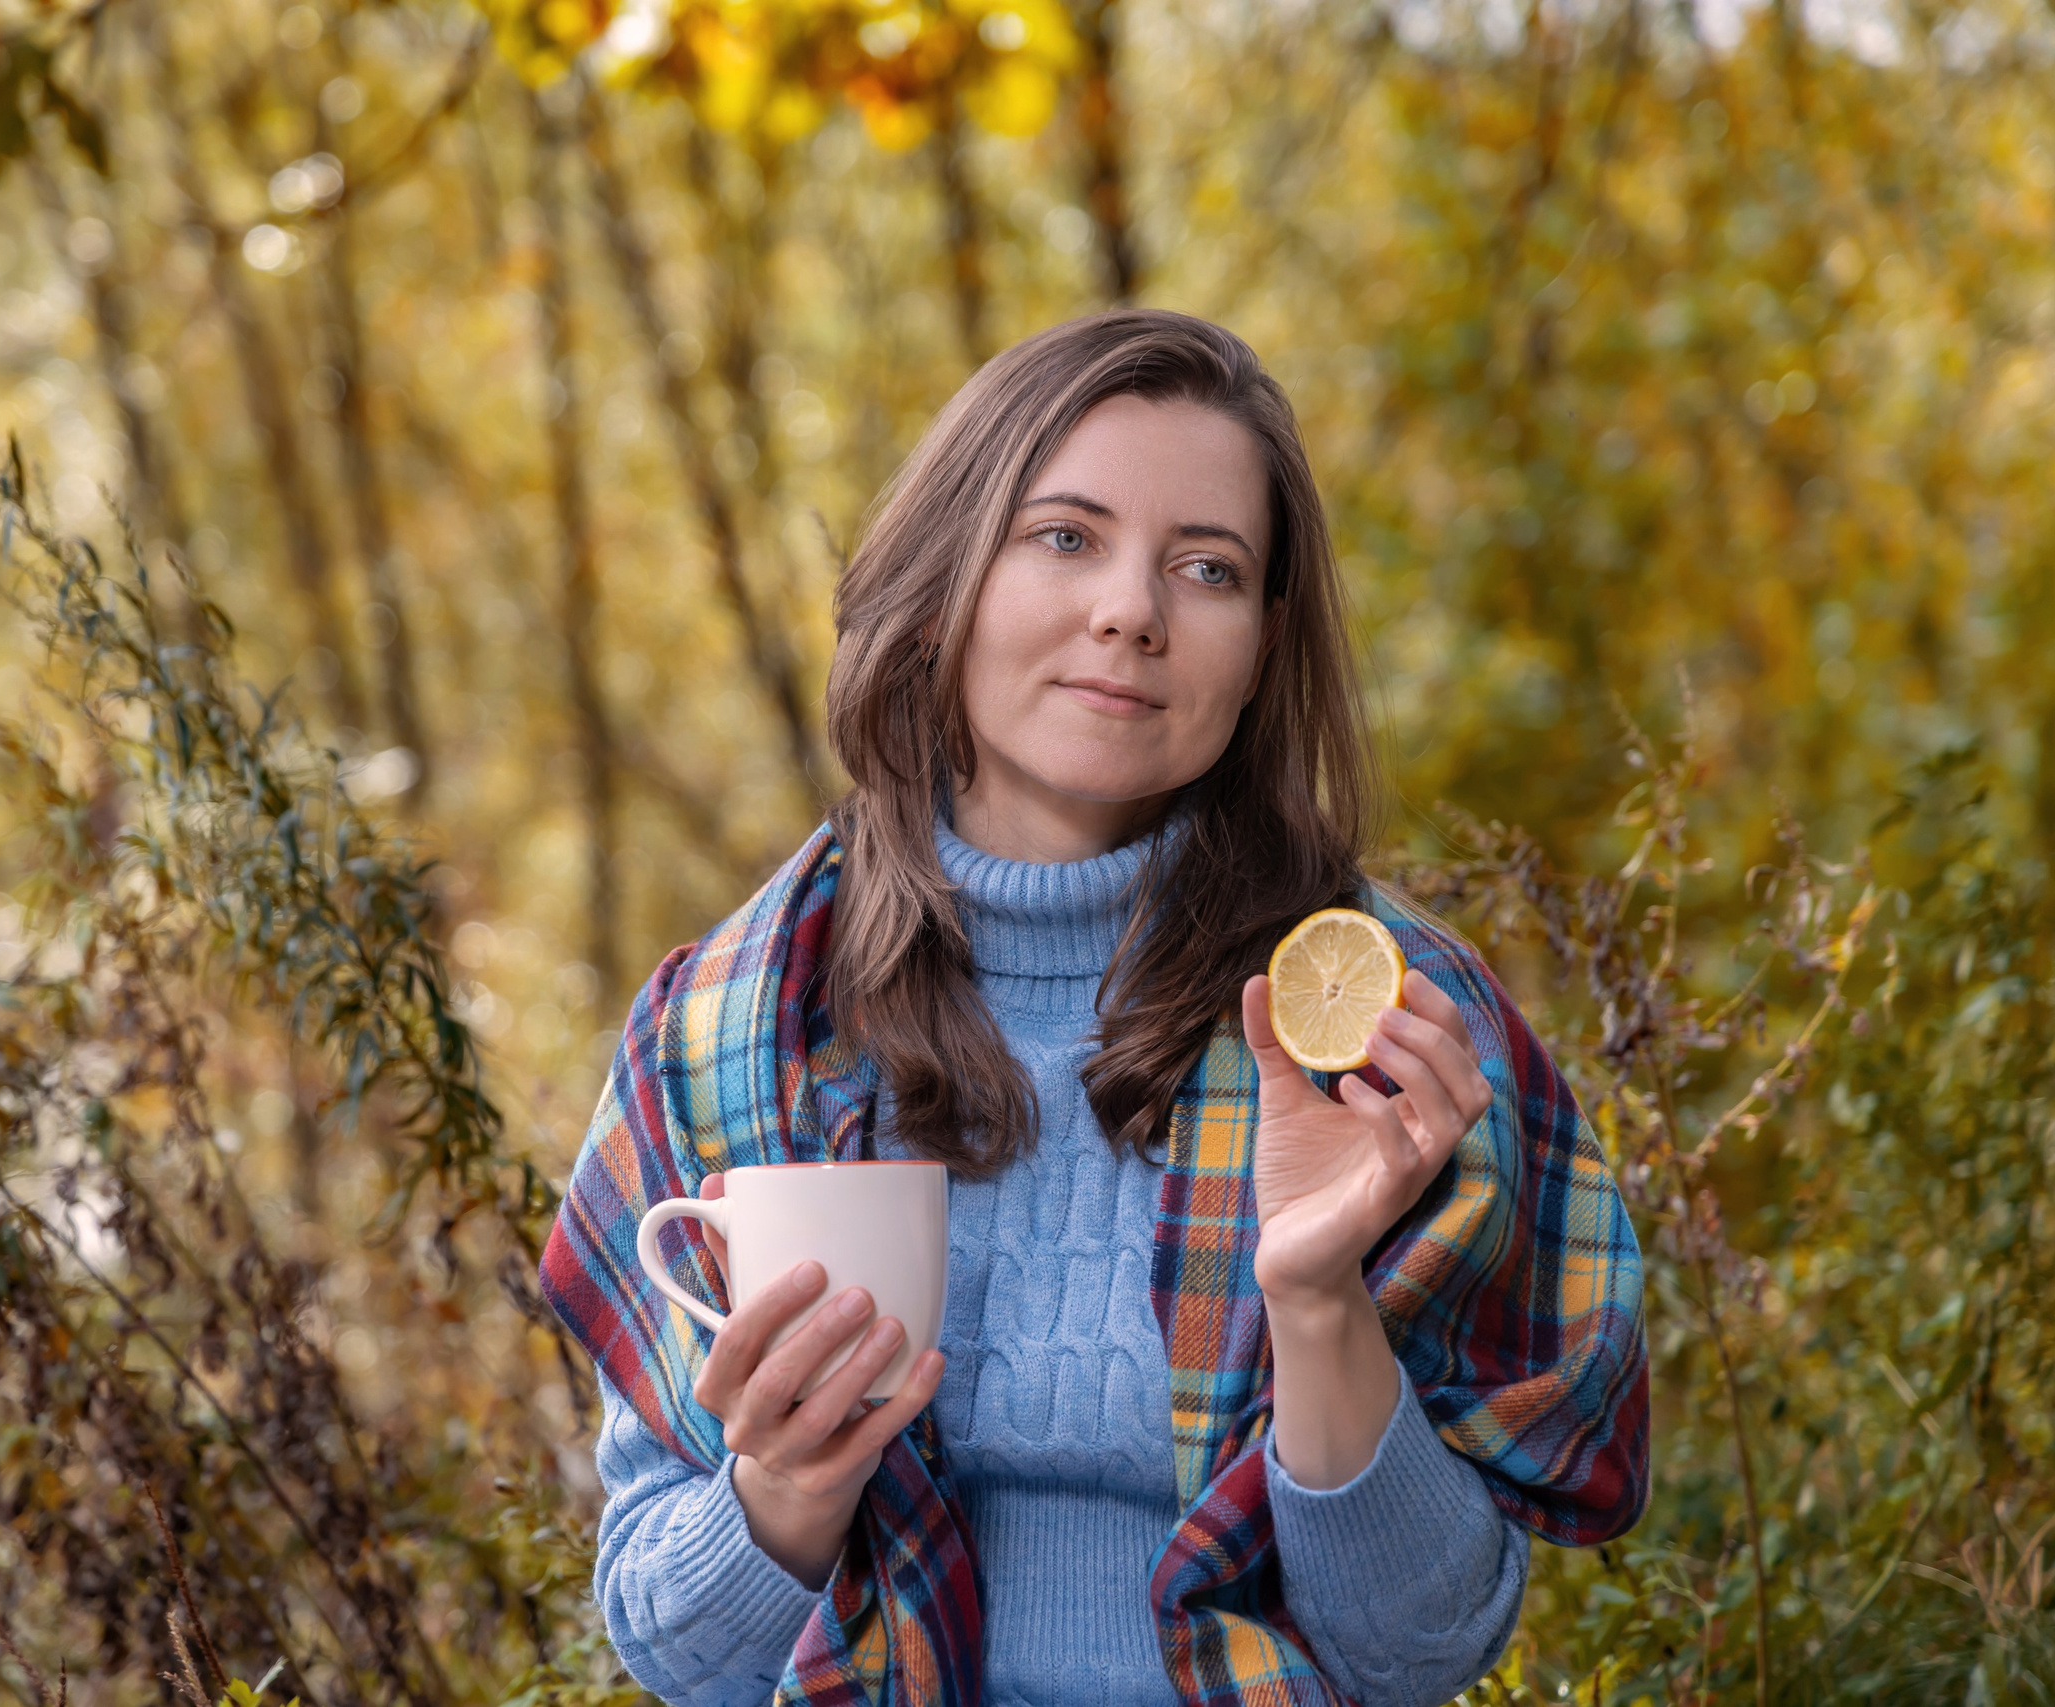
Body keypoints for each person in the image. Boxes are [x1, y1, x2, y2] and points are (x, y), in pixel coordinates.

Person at [539, 310, 1649, 1707]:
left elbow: (1418, 1651)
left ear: (1262, 642)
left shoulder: (1382, 1030)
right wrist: (782, 1486)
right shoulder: (728, 1031)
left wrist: (1316, 1301)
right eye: (1065, 537)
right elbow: (674, 1652)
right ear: (949, 571)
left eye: (1209, 568)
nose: (1134, 609)